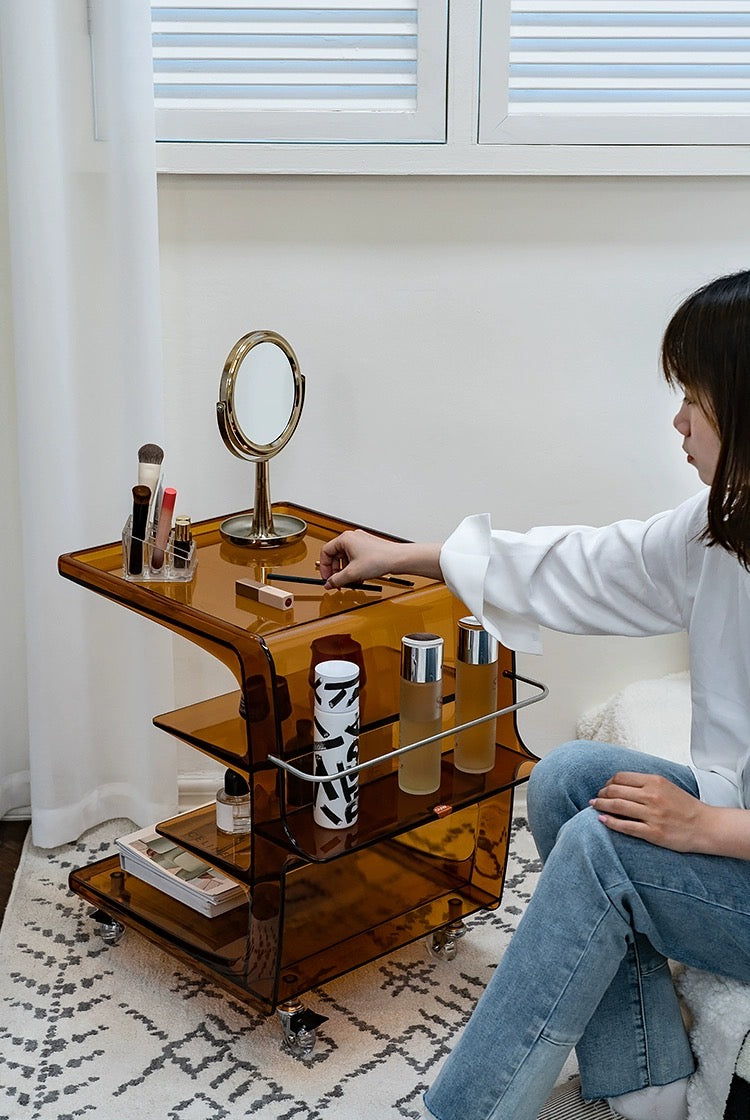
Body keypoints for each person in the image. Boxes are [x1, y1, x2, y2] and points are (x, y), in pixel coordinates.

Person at [318, 269, 750, 1120]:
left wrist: (710, 827)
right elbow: (581, 563)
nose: (678, 421)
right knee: (569, 776)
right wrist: (406, 553)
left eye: (693, 399)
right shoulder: (724, 528)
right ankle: (647, 1080)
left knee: (602, 848)